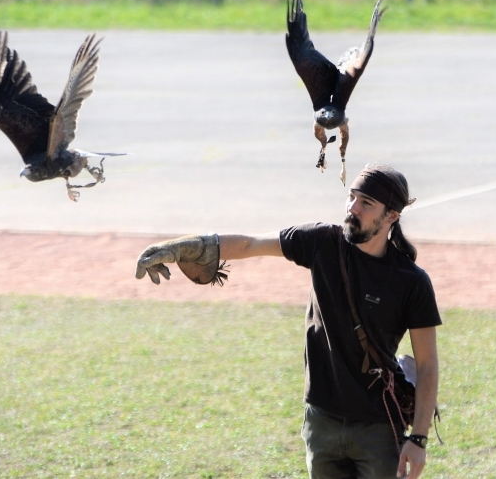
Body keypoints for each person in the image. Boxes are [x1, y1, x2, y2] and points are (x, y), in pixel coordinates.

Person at [135, 163, 441, 479]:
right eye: (351, 197)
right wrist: (180, 248)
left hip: (378, 428)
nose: (352, 208)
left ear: (391, 215)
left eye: (366, 203)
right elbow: (251, 244)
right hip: (321, 421)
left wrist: (418, 438)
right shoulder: (323, 243)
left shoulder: (411, 282)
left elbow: (428, 364)